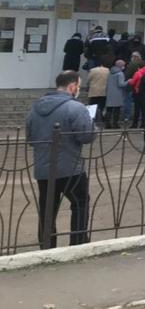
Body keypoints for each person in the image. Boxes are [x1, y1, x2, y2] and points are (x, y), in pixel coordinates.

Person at [27, 71, 96, 248]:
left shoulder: (35, 107)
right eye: (78, 86)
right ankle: (78, 242)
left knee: (47, 209)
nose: (78, 89)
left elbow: (31, 138)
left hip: (43, 168)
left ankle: (47, 245)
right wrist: (91, 122)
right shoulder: (76, 108)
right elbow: (86, 136)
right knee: (80, 203)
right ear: (72, 87)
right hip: (71, 167)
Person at [104, 59, 127, 129]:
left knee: (109, 110)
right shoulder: (120, 73)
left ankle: (107, 124)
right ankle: (115, 124)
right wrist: (128, 81)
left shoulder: (110, 72)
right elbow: (121, 84)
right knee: (117, 110)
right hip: (118, 94)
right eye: (123, 65)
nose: (124, 67)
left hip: (110, 93)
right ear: (121, 66)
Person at [87, 59, 110, 125]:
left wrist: (88, 85)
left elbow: (88, 79)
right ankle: (101, 118)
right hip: (104, 90)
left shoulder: (93, 70)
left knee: (92, 105)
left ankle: (92, 119)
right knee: (102, 105)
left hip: (94, 91)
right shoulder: (108, 70)